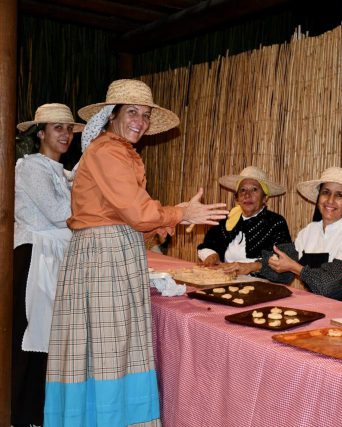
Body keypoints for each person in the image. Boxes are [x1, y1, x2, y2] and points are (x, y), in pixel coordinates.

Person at [44, 79, 228, 427]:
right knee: (110, 347)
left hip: (110, 250)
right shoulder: (108, 151)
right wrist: (179, 213)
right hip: (104, 255)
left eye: (144, 115)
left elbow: (131, 213)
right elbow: (137, 211)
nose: (140, 122)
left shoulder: (115, 152)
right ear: (112, 115)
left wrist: (169, 218)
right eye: (132, 112)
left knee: (103, 347)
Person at [12, 103, 83, 427]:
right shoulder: (29, 167)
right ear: (41, 133)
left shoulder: (62, 173)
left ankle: (41, 413)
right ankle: (20, 413)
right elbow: (60, 213)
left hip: (55, 257)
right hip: (33, 257)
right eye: (58, 128)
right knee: (30, 335)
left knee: (50, 338)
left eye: (69, 129)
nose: (66, 134)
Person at [261, 167, 342, 301]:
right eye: (326, 192)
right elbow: (284, 275)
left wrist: (294, 267)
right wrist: (251, 266)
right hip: (311, 304)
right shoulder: (308, 231)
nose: (330, 200)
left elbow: (330, 286)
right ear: (319, 198)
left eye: (339, 195)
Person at [197, 166, 291, 276]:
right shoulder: (227, 220)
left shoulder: (275, 223)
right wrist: (212, 256)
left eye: (254, 189)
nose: (247, 195)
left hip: (262, 287)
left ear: (265, 198)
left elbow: (285, 263)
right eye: (242, 190)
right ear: (237, 198)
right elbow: (208, 245)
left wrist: (251, 267)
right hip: (225, 280)